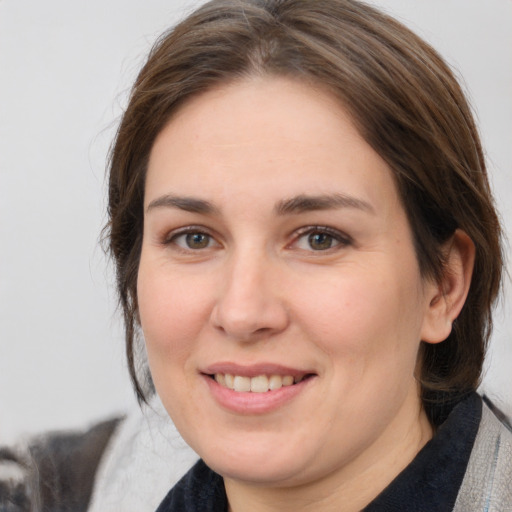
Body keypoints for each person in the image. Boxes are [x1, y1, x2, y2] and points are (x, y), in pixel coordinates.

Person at [1, 0, 509, 511]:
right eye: (194, 238)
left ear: (443, 285)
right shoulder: (49, 492)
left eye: (319, 239)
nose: (243, 313)